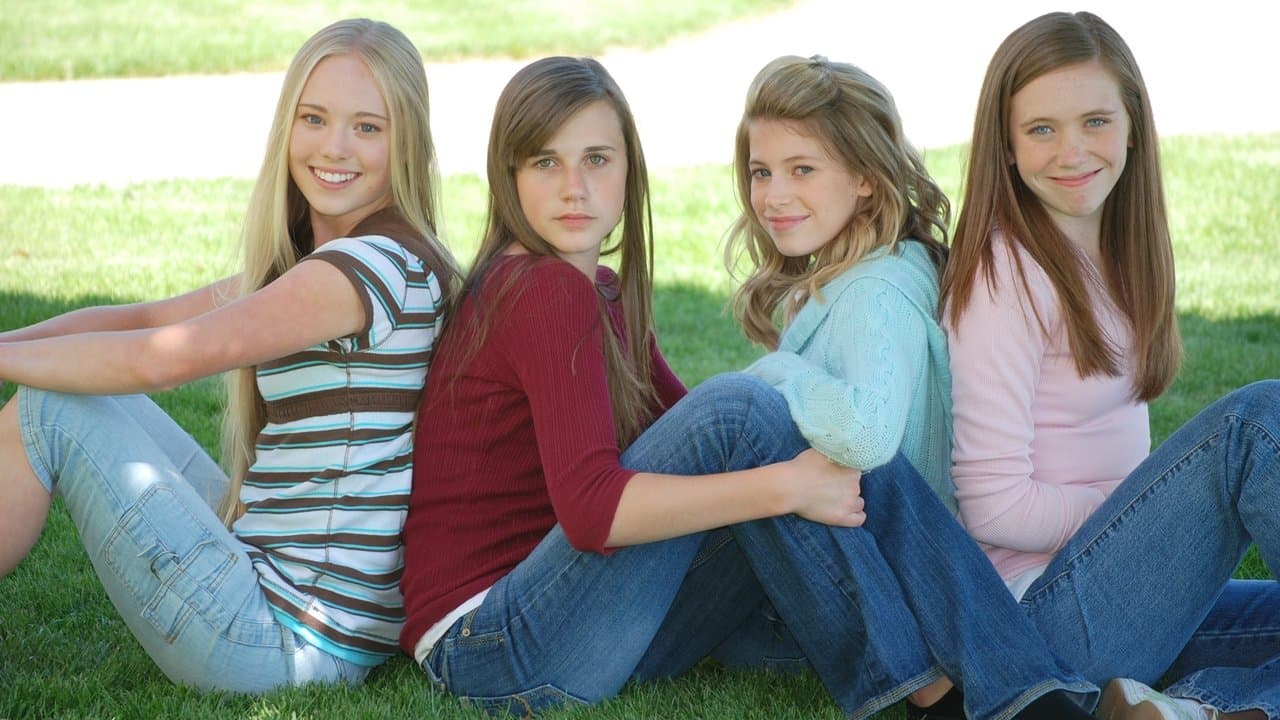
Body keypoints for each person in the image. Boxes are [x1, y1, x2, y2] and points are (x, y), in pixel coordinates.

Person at [400, 54, 1097, 719]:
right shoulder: (543, 291)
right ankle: (955, 689)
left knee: (805, 437)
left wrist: (792, 463)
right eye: (545, 162)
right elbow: (592, 511)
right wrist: (784, 485)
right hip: (494, 645)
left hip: (579, 614)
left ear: (629, 170)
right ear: (508, 175)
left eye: (597, 160)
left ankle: (1001, 686)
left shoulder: (598, 290)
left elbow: (686, 435)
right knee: (745, 411)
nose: (573, 187)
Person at [0, 18, 458, 693]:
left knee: (49, 408)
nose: (334, 146)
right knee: (77, 391)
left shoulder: (363, 270)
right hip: (302, 612)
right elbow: (148, 320)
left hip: (281, 638)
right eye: (314, 118)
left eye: (368, 127)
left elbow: (161, 358)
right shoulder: (338, 265)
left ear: (408, 142)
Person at [941, 10, 1280, 720]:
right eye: (1041, 129)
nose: (1072, 151)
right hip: (1041, 620)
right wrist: (1137, 514)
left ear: (1132, 126)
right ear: (1006, 147)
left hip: (1114, 598)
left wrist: (1142, 525)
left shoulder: (1117, 253)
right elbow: (991, 506)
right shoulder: (1006, 275)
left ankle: (1194, 711)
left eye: (1094, 121)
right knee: (1255, 424)